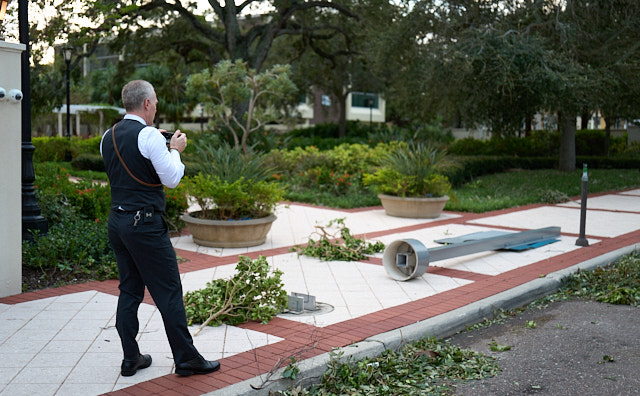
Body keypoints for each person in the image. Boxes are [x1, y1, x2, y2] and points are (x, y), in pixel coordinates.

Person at [100, 80, 220, 377]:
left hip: (118, 221)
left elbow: (128, 170)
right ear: (146, 104)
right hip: (145, 224)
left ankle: (131, 358)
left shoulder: (107, 136)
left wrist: (160, 147)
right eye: (154, 102)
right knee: (168, 291)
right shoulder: (150, 135)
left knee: (129, 290)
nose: (155, 107)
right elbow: (172, 178)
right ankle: (187, 359)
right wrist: (176, 149)